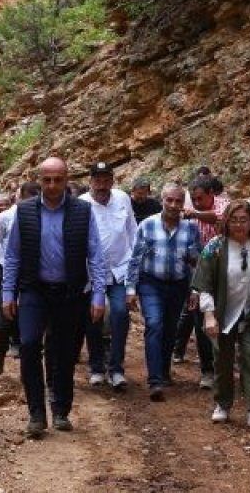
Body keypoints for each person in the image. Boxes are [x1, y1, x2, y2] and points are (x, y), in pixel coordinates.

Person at [1, 157, 107, 438]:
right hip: (34, 290)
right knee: (28, 344)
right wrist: (8, 292)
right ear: (40, 180)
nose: (52, 185)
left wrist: (98, 294)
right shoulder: (23, 212)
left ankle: (61, 409)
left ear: (66, 179)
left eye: (57, 179)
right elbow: (12, 255)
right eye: (46, 180)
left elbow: (95, 255)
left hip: (70, 293)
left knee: (63, 353)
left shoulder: (82, 212)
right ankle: (36, 413)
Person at [194, 200, 250, 428]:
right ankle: (222, 404)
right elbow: (204, 284)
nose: (239, 225)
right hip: (223, 312)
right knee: (222, 359)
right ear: (226, 221)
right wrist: (209, 314)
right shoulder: (215, 246)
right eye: (233, 220)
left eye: (244, 220)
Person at [126, 183, 201, 401]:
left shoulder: (190, 229)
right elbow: (135, 259)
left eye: (178, 201)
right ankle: (155, 380)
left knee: (170, 330)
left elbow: (196, 263)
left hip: (178, 285)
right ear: (162, 200)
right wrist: (131, 289)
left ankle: (164, 369)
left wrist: (195, 290)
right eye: (169, 200)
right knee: (155, 324)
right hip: (151, 283)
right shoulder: (147, 225)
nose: (173, 205)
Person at [80, 162, 138, 389]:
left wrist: (134, 267)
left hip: (120, 270)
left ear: (112, 180)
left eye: (106, 180)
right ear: (91, 181)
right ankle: (96, 367)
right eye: (97, 180)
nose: (102, 185)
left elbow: (132, 232)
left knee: (121, 315)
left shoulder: (122, 198)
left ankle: (116, 368)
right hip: (91, 273)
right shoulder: (82, 204)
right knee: (93, 317)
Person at [173, 175, 228, 389]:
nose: (196, 203)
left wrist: (195, 213)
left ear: (211, 195)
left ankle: (224, 363)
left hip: (224, 271)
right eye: (193, 199)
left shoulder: (223, 204)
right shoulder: (188, 209)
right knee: (199, 318)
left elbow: (219, 219)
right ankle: (207, 370)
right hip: (197, 271)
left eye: (200, 199)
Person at [0, 186, 33, 373]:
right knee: (5, 317)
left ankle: (27, 366)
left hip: (32, 274)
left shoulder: (43, 216)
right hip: (8, 272)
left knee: (29, 318)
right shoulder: (7, 217)